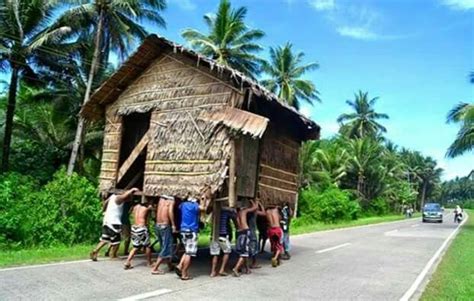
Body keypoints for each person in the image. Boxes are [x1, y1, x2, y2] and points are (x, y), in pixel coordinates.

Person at [90, 188, 139, 261]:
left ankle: (95, 251)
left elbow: (104, 204)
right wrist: (132, 190)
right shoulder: (118, 198)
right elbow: (125, 195)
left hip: (107, 220)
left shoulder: (111, 197)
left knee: (105, 239)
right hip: (114, 222)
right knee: (116, 240)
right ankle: (113, 255)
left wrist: (104, 211)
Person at [175, 194, 208, 280]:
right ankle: (184, 274)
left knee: (187, 250)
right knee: (190, 253)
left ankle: (179, 265)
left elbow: (179, 206)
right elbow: (203, 208)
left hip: (183, 230)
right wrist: (203, 200)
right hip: (191, 230)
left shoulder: (183, 205)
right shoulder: (195, 206)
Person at [123, 198, 153, 269]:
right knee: (148, 246)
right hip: (141, 228)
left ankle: (127, 261)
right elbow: (153, 210)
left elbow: (129, 212)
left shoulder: (135, 207)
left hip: (134, 228)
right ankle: (149, 262)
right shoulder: (146, 207)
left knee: (135, 247)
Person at [232, 199, 258, 277]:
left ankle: (247, 268)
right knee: (244, 253)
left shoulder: (235, 213)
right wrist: (254, 201)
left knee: (243, 251)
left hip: (238, 232)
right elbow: (255, 207)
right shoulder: (244, 211)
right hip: (245, 231)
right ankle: (236, 268)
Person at [151, 195, 176, 275]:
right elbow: (170, 212)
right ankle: (155, 268)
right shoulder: (171, 200)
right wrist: (173, 224)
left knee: (163, 246)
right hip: (165, 225)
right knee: (166, 246)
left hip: (158, 225)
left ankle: (169, 265)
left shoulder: (161, 200)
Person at [210, 207, 236, 277]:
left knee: (215, 254)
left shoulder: (214, 211)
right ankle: (222, 269)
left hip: (214, 235)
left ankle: (213, 272)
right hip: (223, 235)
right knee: (227, 252)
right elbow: (234, 216)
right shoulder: (226, 211)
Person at [248, 201, 266, 269]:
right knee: (254, 248)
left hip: (245, 231)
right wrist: (259, 203)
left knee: (246, 248)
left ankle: (246, 264)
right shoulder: (254, 212)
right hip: (252, 232)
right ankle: (254, 263)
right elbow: (264, 213)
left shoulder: (245, 211)